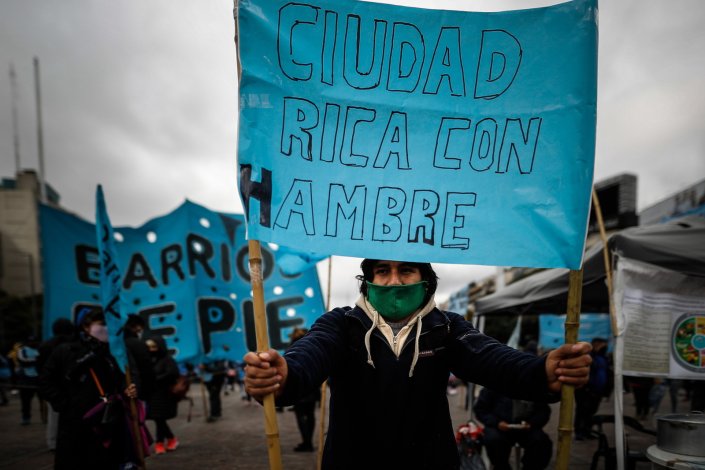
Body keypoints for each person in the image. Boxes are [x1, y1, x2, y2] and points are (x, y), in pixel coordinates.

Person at [243, 259, 592, 469]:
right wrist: (283, 374)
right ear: (368, 282)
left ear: (426, 282)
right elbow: (311, 354)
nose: (394, 281)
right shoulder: (341, 323)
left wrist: (541, 371)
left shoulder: (448, 326)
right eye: (382, 271)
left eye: (406, 270)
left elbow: (491, 357)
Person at [39, 309, 140, 469]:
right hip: (76, 424)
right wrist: (66, 404)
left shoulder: (117, 350)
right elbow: (46, 381)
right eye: (102, 324)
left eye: (109, 324)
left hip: (109, 420)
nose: (107, 328)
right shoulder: (65, 351)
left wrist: (131, 388)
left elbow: (130, 375)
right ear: (86, 327)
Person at [473, 341, 552, 470]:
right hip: (500, 427)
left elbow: (543, 412)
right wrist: (497, 423)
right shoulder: (495, 383)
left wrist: (531, 424)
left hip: (526, 428)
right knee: (493, 439)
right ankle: (502, 467)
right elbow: (480, 409)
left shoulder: (534, 385)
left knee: (541, 442)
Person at [37, 318, 76, 450]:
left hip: (52, 385)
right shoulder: (73, 344)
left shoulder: (45, 345)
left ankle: (52, 442)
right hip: (70, 386)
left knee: (53, 416)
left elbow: (40, 368)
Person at [145, 336, 180, 454]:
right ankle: (170, 439)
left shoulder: (167, 359)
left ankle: (160, 442)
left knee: (159, 418)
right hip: (152, 394)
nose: (151, 349)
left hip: (164, 394)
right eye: (148, 347)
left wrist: (156, 379)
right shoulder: (148, 360)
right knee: (158, 418)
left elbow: (173, 373)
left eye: (153, 346)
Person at [288, 327, 320, 452]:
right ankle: (309, 442)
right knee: (310, 415)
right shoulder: (312, 343)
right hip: (312, 386)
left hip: (299, 387)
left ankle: (307, 442)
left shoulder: (294, 346)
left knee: (301, 415)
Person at [574, 337, 610, 440]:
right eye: (602, 344)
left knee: (591, 412)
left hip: (597, 391)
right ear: (595, 344)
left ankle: (587, 431)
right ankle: (579, 432)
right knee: (582, 411)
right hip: (585, 390)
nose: (604, 347)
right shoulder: (588, 356)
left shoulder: (603, 357)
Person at [123, 314, 156, 401]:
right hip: (138, 391)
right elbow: (146, 369)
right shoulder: (137, 343)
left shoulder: (117, 344)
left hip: (123, 391)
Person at [16, 335, 40, 425]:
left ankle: (45, 417)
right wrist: (36, 361)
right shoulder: (22, 350)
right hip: (26, 378)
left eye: (34, 341)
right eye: (30, 341)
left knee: (44, 399)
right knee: (26, 400)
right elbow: (23, 361)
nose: (33, 343)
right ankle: (26, 418)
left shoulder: (39, 350)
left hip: (38, 377)